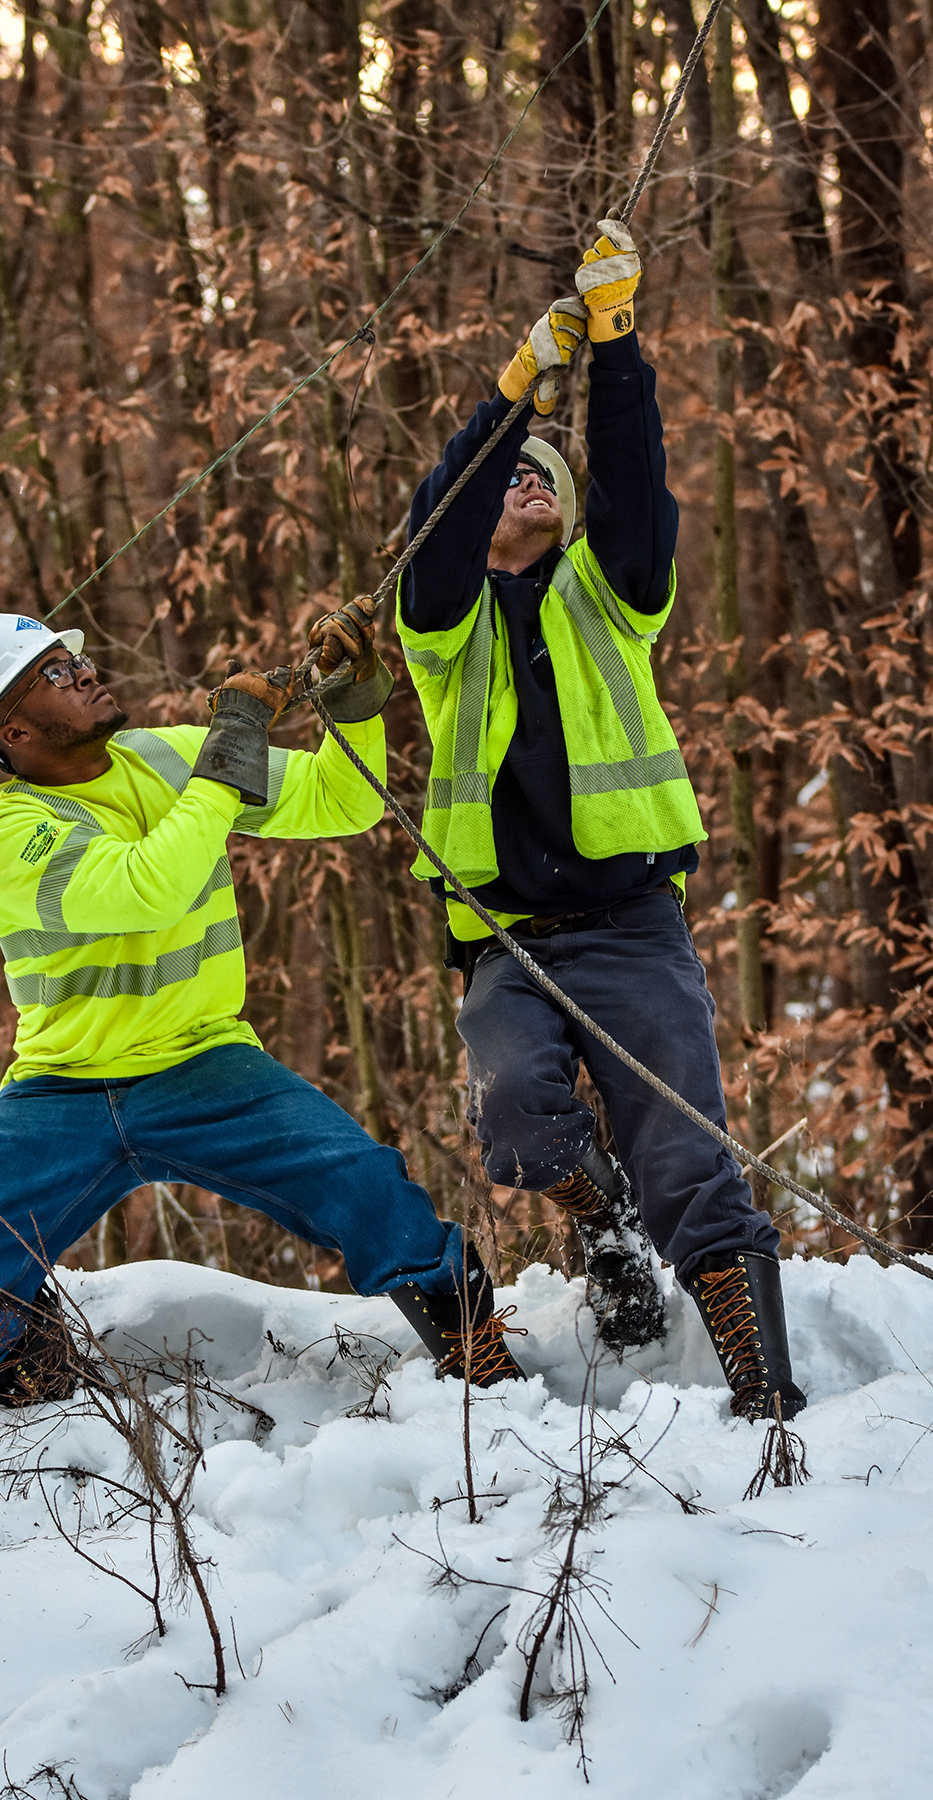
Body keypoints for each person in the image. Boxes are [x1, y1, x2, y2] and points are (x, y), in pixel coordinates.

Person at [0, 602, 525, 1402]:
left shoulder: (167, 758)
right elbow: (146, 888)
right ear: (12, 733)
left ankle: (479, 1359)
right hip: (60, 1092)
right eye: (52, 673)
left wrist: (352, 703)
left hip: (208, 1067)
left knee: (369, 1186)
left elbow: (346, 801)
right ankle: (33, 1376)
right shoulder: (6, 832)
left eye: (73, 658)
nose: (83, 671)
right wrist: (230, 750)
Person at [396, 220, 805, 1422]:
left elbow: (634, 487)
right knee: (519, 1108)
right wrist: (512, 393)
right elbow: (437, 521)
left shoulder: (609, 600)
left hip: (630, 923)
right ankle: (604, 1225)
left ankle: (764, 1390)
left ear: (571, 521)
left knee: (686, 1141)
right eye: (510, 476)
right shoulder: (444, 626)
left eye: (546, 477)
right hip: (505, 938)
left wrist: (615, 348)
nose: (525, 480)